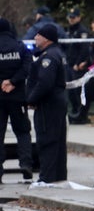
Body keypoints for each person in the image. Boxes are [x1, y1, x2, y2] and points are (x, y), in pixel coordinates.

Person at [26, 24, 68, 183]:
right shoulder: (57, 53)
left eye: (38, 35)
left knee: (47, 141)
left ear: (46, 38)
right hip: (56, 103)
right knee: (57, 142)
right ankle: (58, 177)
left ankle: (47, 178)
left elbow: (44, 83)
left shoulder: (49, 57)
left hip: (48, 106)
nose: (35, 37)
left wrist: (31, 99)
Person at [0, 18, 34, 182]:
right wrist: (13, 82)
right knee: (22, 132)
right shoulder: (20, 47)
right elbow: (27, 68)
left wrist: (3, 83)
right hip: (17, 97)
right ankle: (26, 164)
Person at [64, 8, 92, 124]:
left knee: (78, 91)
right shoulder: (69, 31)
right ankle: (75, 112)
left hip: (77, 66)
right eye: (70, 17)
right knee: (71, 92)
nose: (71, 19)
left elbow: (84, 48)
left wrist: (78, 63)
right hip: (69, 65)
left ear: (79, 18)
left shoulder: (82, 31)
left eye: (73, 17)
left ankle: (81, 115)